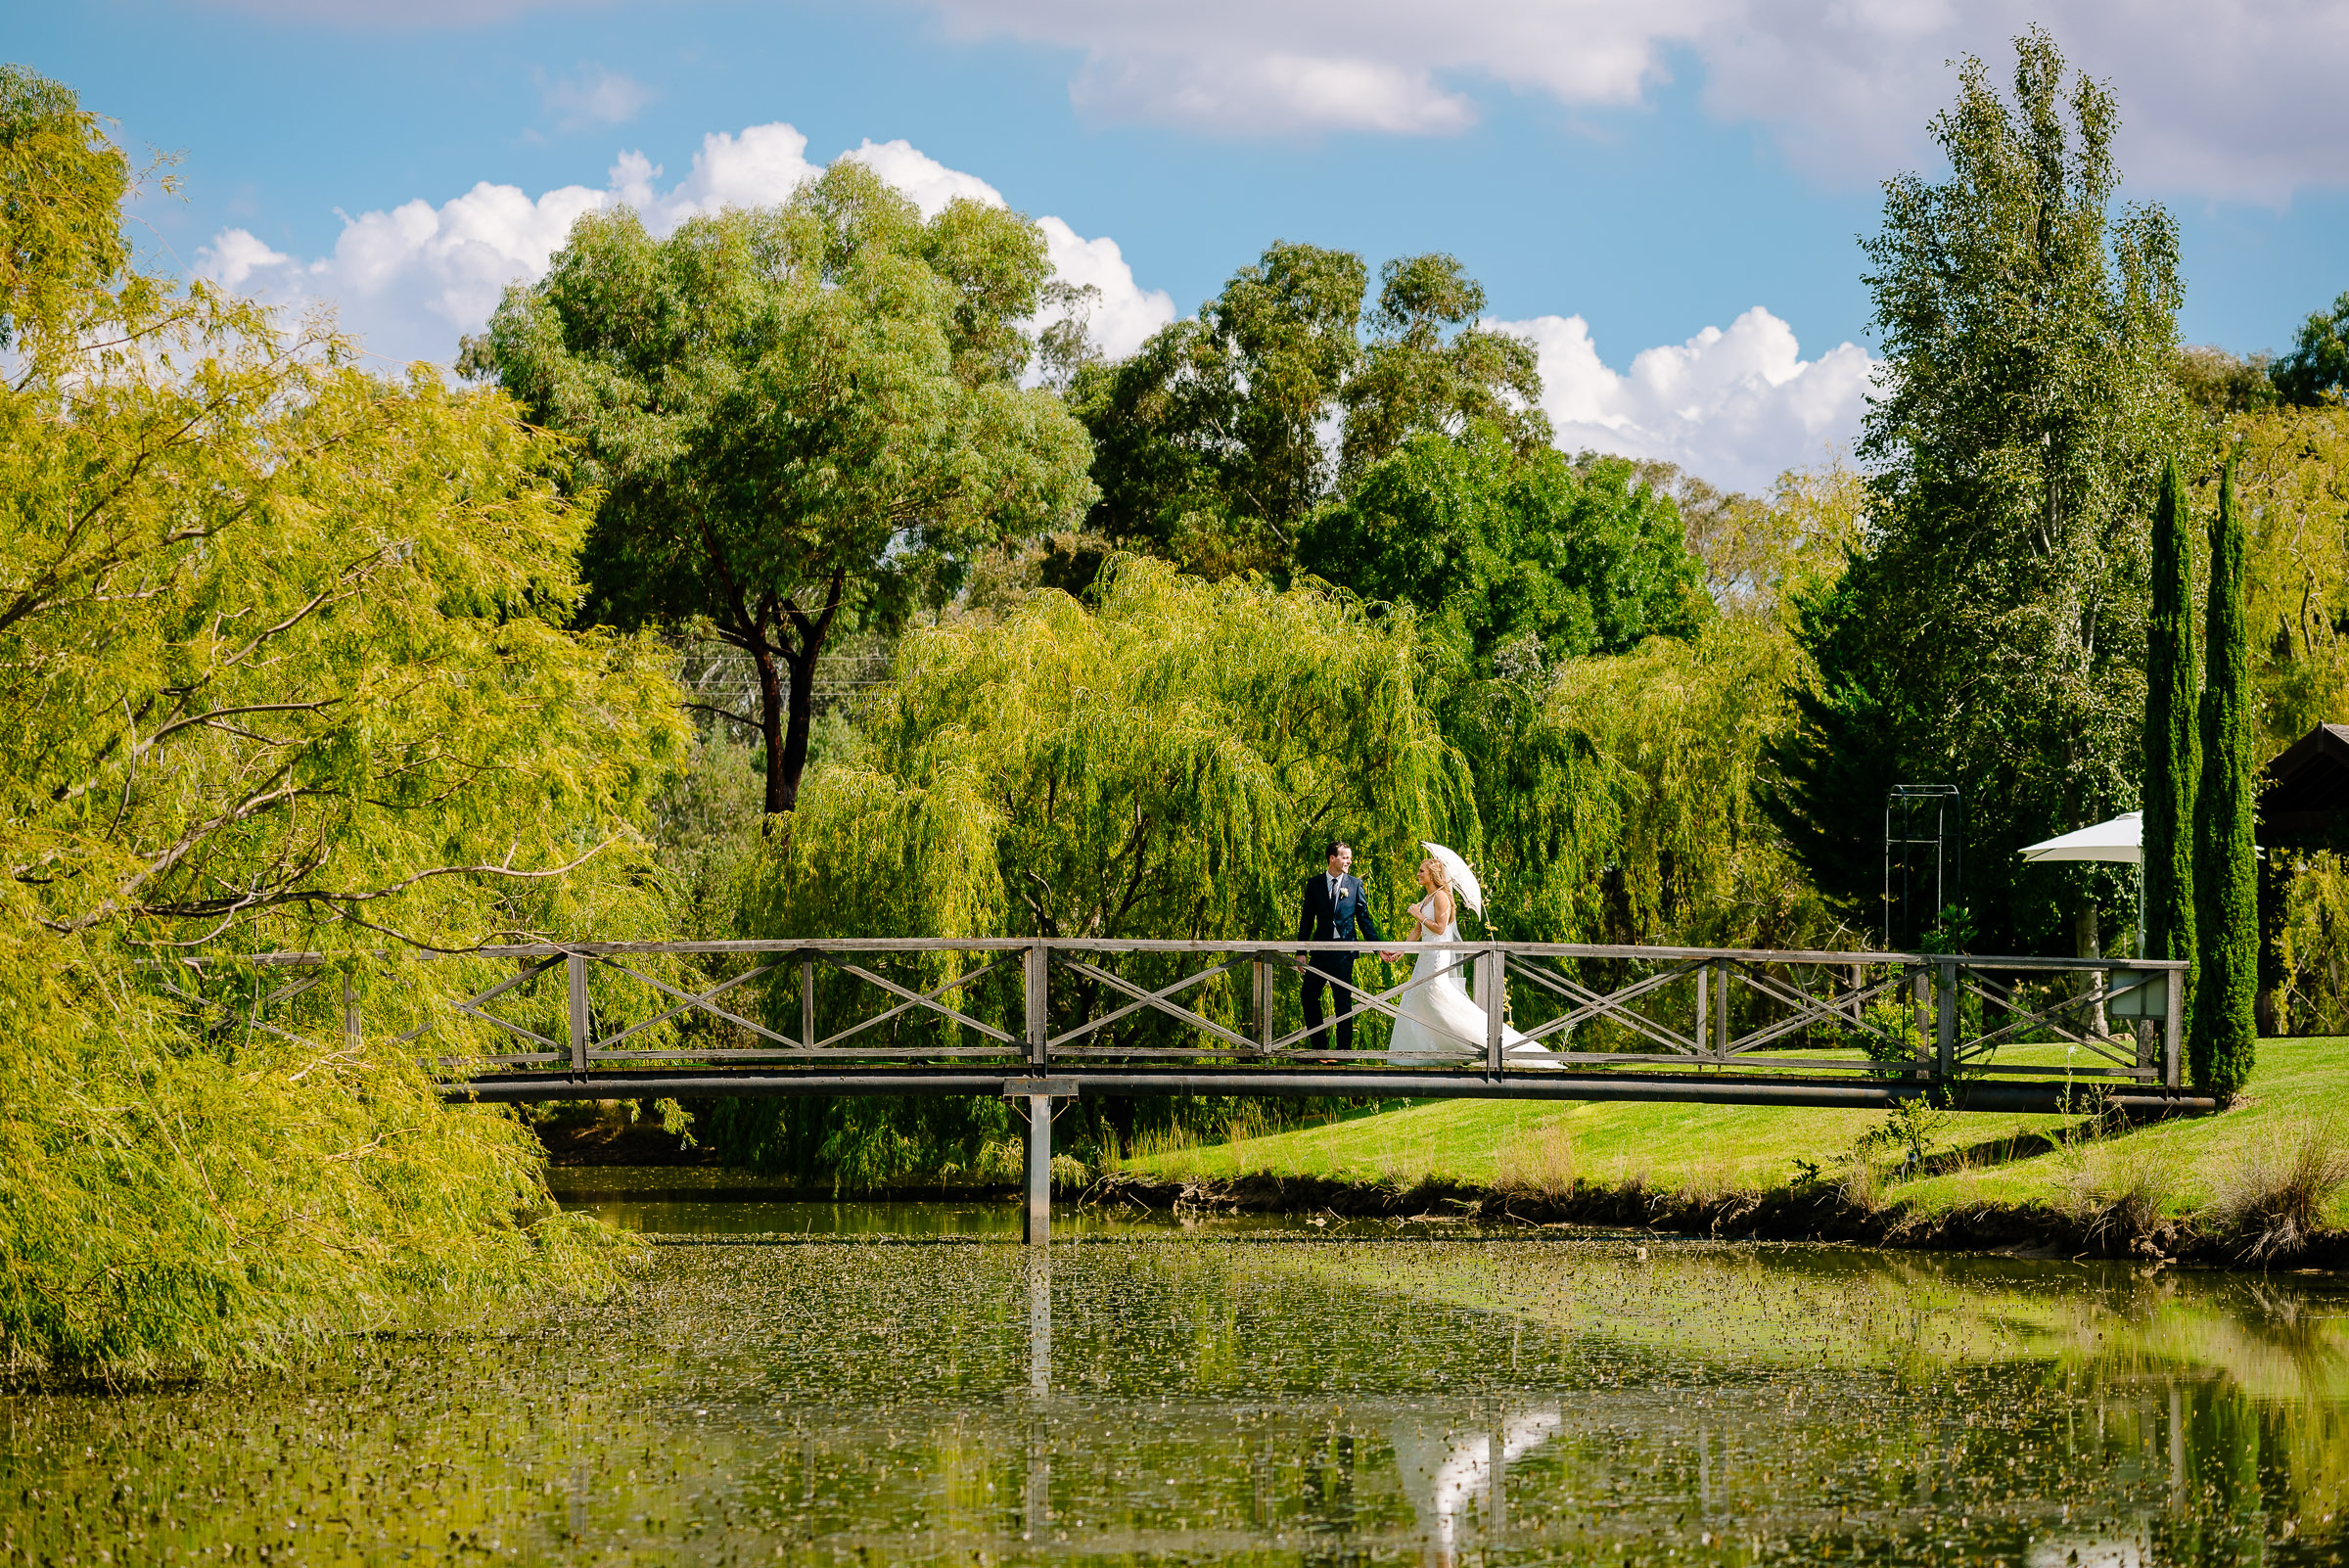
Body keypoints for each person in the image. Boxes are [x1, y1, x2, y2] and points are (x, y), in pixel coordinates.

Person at [1384, 847, 1558, 1065]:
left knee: (1435, 995)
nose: (1418, 874)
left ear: (1432, 875)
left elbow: (1439, 928)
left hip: (1437, 956)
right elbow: (1418, 930)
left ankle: (1476, 1042)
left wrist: (1419, 915)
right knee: (1417, 997)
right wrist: (1402, 949)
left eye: (1421, 871)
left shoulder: (1441, 898)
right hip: (1424, 956)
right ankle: (1426, 1051)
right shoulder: (1426, 898)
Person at [1296, 840, 1381, 1051]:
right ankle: (1319, 1049)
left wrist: (1378, 948)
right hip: (1320, 953)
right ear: (1332, 858)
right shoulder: (1314, 884)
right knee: (1308, 995)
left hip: (1344, 955)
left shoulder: (1354, 884)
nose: (1349, 861)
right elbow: (1306, 919)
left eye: (1350, 857)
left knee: (1342, 1002)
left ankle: (1344, 1052)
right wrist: (1300, 951)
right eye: (1345, 857)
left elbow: (1364, 920)